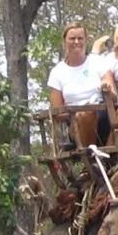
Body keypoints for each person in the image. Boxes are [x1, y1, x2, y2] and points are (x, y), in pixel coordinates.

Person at [47, 22, 112, 150]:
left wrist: (107, 88)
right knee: (85, 115)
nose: (76, 42)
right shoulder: (57, 72)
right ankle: (91, 159)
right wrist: (77, 114)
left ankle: (106, 157)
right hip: (75, 124)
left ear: (86, 41)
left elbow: (112, 91)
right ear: (64, 41)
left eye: (80, 38)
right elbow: (57, 112)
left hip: (103, 118)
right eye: (72, 38)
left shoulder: (98, 62)